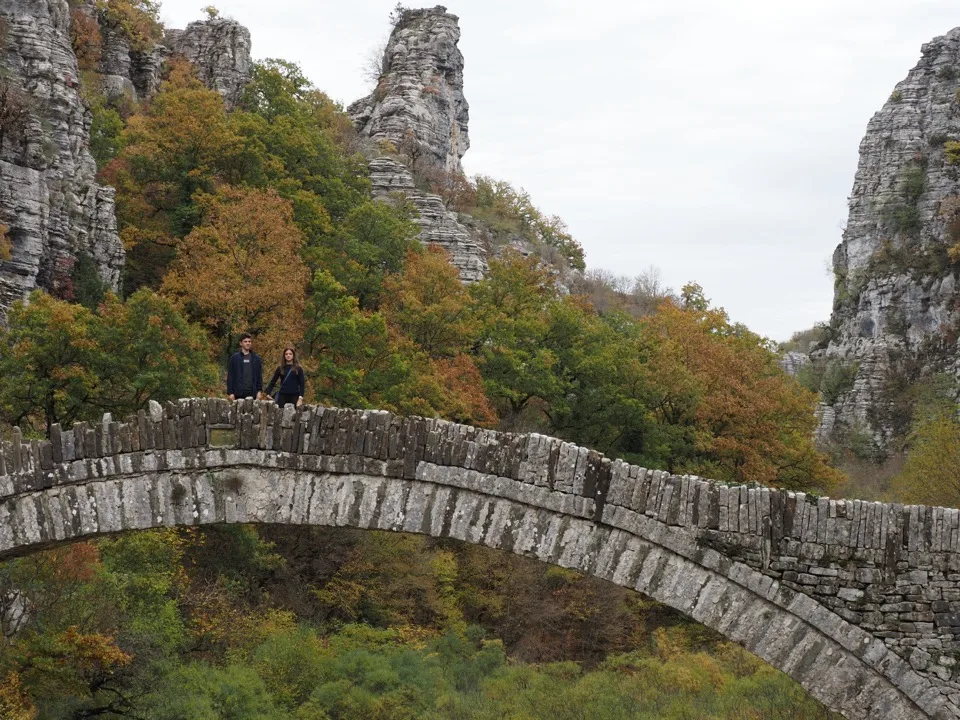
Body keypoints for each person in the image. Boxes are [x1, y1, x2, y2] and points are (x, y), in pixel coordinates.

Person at [226, 333, 263, 401]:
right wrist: (230, 393)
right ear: (241, 343)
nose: (248, 343)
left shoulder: (256, 359)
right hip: (238, 394)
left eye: (249, 341)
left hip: (253, 394)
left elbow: (259, 376)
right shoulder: (234, 358)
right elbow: (230, 376)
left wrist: (259, 391)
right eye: (245, 341)